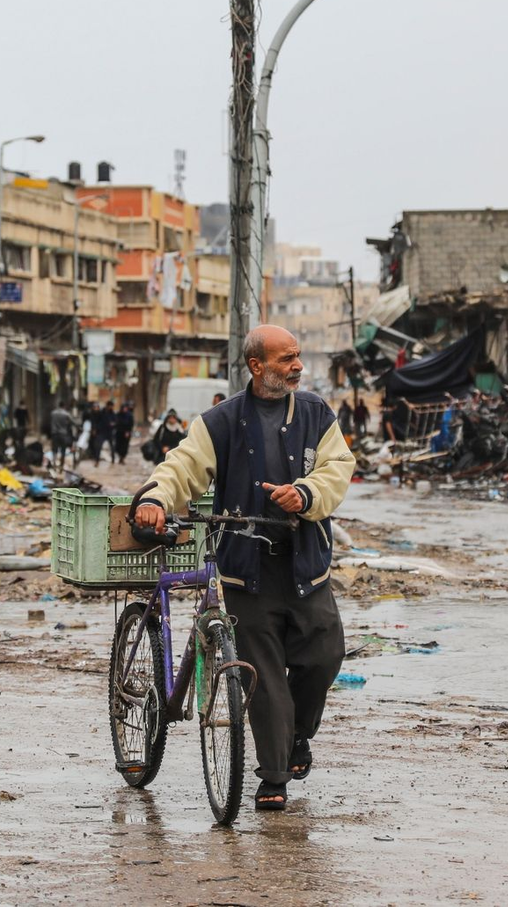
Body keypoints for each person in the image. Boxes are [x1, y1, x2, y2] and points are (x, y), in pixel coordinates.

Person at [134, 325, 354, 812]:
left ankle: (299, 735)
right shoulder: (221, 421)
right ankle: (273, 776)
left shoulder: (316, 412)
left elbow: (337, 468)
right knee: (264, 673)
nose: (297, 366)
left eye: (298, 357)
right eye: (286, 359)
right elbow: (181, 468)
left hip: (306, 562)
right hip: (245, 570)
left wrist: (305, 494)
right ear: (257, 367)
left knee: (325, 653)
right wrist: (154, 498)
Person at [49, 404, 75, 473]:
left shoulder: (53, 413)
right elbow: (72, 422)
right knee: (63, 451)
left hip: (54, 434)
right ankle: (61, 467)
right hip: (63, 435)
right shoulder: (66, 414)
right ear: (64, 407)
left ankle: (54, 466)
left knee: (54, 451)